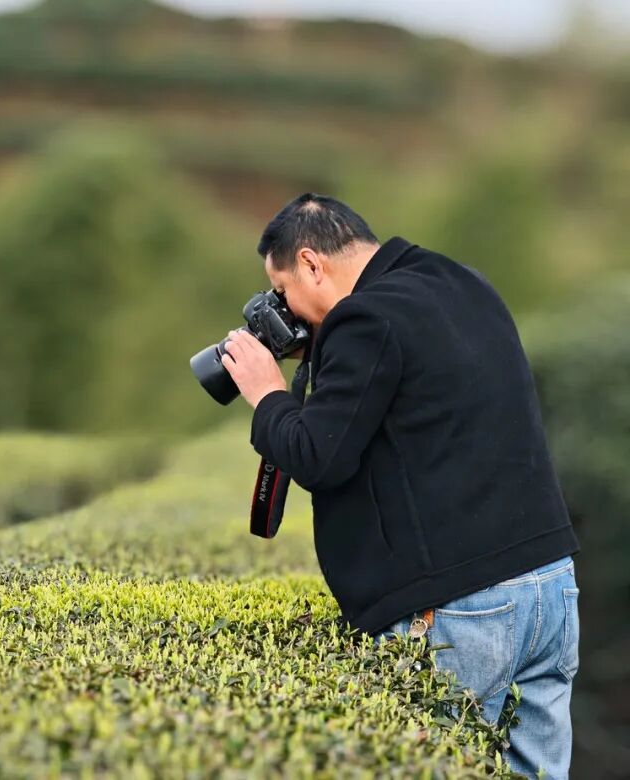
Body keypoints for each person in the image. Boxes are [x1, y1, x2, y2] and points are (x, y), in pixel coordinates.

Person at [222, 193, 580, 779]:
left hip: (463, 610)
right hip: (549, 587)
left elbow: (318, 457)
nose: (284, 313)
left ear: (312, 264)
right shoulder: (461, 284)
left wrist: (268, 394)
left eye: (284, 293)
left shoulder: (363, 320)